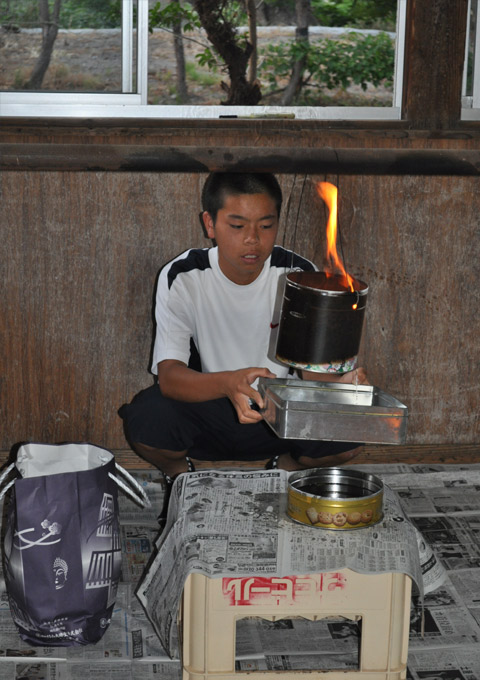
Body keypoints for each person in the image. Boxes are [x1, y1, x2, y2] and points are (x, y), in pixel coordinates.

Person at [119, 173, 368, 507]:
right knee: (146, 420)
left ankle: (285, 471)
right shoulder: (184, 275)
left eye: (265, 226)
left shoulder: (297, 274)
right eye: (237, 226)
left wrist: (343, 384)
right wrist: (228, 384)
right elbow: (169, 377)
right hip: (208, 408)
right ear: (210, 224)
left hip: (278, 417)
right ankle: (182, 477)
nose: (252, 240)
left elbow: (313, 377)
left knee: (352, 430)